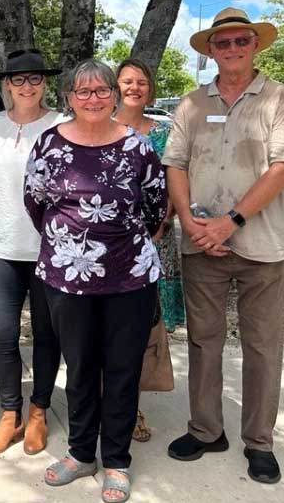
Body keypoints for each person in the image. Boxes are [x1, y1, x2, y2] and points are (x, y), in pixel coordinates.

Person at [161, 7, 284, 485]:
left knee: (262, 347)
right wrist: (189, 222)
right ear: (210, 50)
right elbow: (176, 164)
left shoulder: (280, 99)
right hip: (201, 244)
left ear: (255, 44)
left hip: (261, 246)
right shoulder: (189, 104)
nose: (231, 49)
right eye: (221, 43)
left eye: (239, 41)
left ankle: (259, 442)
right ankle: (206, 429)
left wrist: (231, 221)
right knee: (204, 343)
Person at [24, 59, 167, 503]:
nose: (93, 99)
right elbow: (35, 201)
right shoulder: (50, 143)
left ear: (114, 94)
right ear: (69, 97)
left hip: (130, 277)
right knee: (80, 367)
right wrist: (71, 244)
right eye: (83, 92)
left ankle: (117, 461)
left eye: (102, 90)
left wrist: (117, 242)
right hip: (68, 278)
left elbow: (156, 206)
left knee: (122, 370)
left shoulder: (138, 147)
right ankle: (81, 452)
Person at [0, 48, 63, 456]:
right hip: (3, 248)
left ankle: (38, 411)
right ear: (6, 86)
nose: (26, 86)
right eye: (17, 80)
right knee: (1, 333)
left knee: (47, 336)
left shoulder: (62, 125)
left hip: (51, 251)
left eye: (34, 78)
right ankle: (9, 413)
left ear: (45, 83)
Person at [112, 58, 184, 443]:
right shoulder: (103, 128)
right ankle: (108, 404)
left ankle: (133, 407)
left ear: (150, 88)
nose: (134, 87)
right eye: (126, 81)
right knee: (110, 329)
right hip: (111, 246)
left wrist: (156, 230)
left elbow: (174, 186)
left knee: (141, 332)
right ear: (115, 86)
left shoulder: (165, 133)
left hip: (154, 243)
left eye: (141, 82)